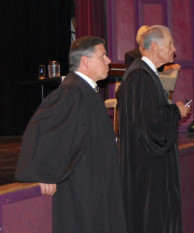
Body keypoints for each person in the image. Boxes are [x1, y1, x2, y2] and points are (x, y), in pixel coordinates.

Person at [15, 36, 127, 233]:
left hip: (98, 186)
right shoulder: (71, 92)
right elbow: (45, 131)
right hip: (84, 190)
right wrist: (44, 171)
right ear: (85, 61)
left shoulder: (87, 91)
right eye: (103, 56)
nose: (108, 61)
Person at [118, 25, 190, 233]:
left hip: (146, 163)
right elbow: (151, 124)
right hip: (147, 167)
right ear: (156, 47)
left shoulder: (145, 73)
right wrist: (175, 111)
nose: (174, 49)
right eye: (170, 44)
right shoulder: (140, 76)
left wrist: (171, 111)